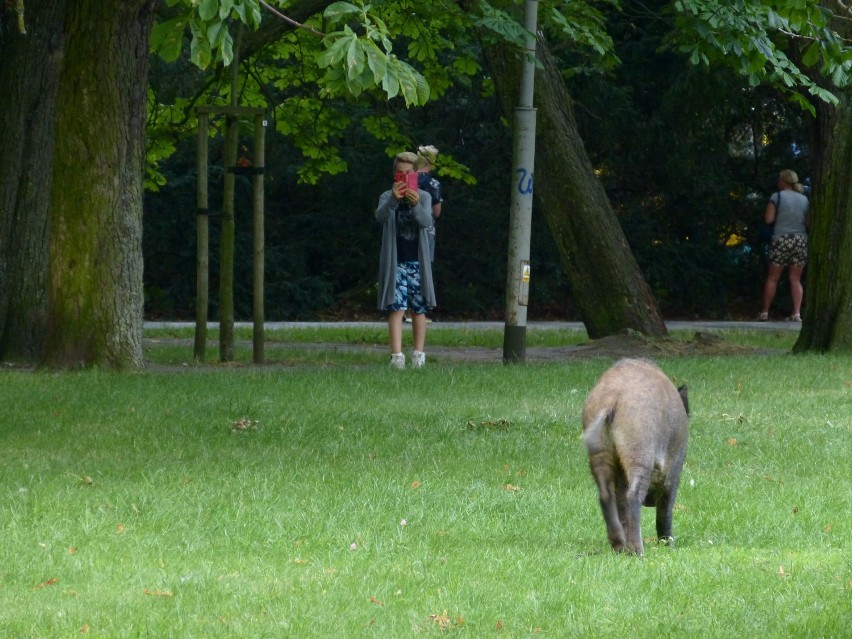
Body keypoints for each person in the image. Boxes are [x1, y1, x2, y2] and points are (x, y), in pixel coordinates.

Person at [376, 151, 436, 369]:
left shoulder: (425, 196)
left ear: (416, 174)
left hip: (417, 262)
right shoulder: (386, 196)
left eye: (409, 173)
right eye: (400, 173)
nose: (404, 176)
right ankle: (397, 357)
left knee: (418, 308)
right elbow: (380, 217)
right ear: (395, 175)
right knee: (396, 307)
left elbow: (426, 221)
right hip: (396, 261)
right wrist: (393, 199)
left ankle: (419, 355)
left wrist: (415, 204)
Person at [758, 169, 810, 322]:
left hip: (781, 239)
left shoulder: (777, 196)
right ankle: (796, 313)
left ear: (784, 181)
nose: (777, 182)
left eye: (779, 179)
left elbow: (768, 219)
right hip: (800, 240)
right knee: (796, 278)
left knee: (773, 277)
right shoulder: (804, 200)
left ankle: (765, 312)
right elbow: (808, 223)